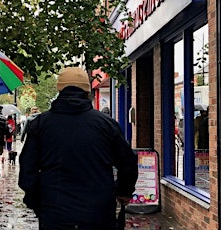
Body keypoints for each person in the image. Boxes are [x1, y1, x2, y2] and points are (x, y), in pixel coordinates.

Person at [18, 67, 138, 230]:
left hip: (55, 212)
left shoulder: (41, 124)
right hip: (98, 212)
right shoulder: (105, 124)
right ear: (87, 89)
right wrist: (124, 191)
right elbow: (128, 162)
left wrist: (36, 200)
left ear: (59, 88)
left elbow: (27, 168)